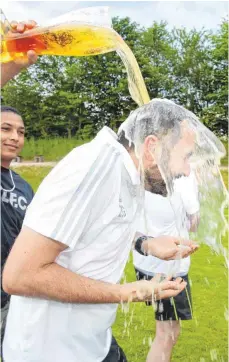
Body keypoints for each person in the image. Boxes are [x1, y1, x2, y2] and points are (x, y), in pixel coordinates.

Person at [1, 20, 199, 362]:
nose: (186, 171)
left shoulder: (126, 173)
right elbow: (20, 275)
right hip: (51, 353)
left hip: (91, 343)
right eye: (185, 158)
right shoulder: (96, 168)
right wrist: (131, 291)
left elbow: (96, 227)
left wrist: (148, 243)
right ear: (151, 146)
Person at [133, 170, 200, 362]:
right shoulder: (183, 179)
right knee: (167, 334)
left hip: (145, 261)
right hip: (168, 266)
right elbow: (194, 224)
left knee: (166, 330)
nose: (189, 165)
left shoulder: (147, 172)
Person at [1, 105, 34, 350]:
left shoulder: (23, 187)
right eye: (6, 129)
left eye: (21, 132)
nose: (15, 137)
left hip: (12, 292)